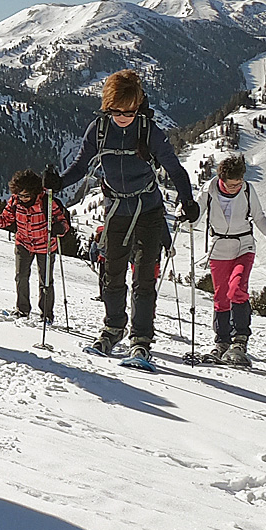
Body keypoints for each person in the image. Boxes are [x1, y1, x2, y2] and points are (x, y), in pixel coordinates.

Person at [45, 69, 198, 368]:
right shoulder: (99, 130)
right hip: (116, 211)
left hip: (148, 212)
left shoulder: (148, 130)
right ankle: (112, 330)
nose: (123, 116)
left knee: (144, 278)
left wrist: (187, 200)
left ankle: (140, 342)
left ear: (137, 104)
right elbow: (80, 165)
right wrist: (59, 183)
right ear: (107, 106)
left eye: (128, 110)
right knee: (111, 275)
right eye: (116, 110)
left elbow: (175, 168)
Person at [194, 153, 266, 366]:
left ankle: (239, 341)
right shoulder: (209, 189)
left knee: (237, 289)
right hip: (219, 248)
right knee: (221, 296)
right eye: (232, 184)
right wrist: (185, 214)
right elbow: (196, 213)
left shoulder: (247, 189)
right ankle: (222, 342)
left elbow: (258, 216)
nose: (236, 187)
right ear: (221, 179)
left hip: (243, 245)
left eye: (239, 183)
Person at [0, 169, 71, 323]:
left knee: (45, 281)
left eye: (26, 195)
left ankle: (46, 315)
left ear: (34, 191)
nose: (23, 198)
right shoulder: (14, 201)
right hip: (23, 243)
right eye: (20, 195)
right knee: (21, 277)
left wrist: (59, 228)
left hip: (45, 246)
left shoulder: (47, 202)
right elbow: (6, 219)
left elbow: (64, 223)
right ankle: (22, 309)